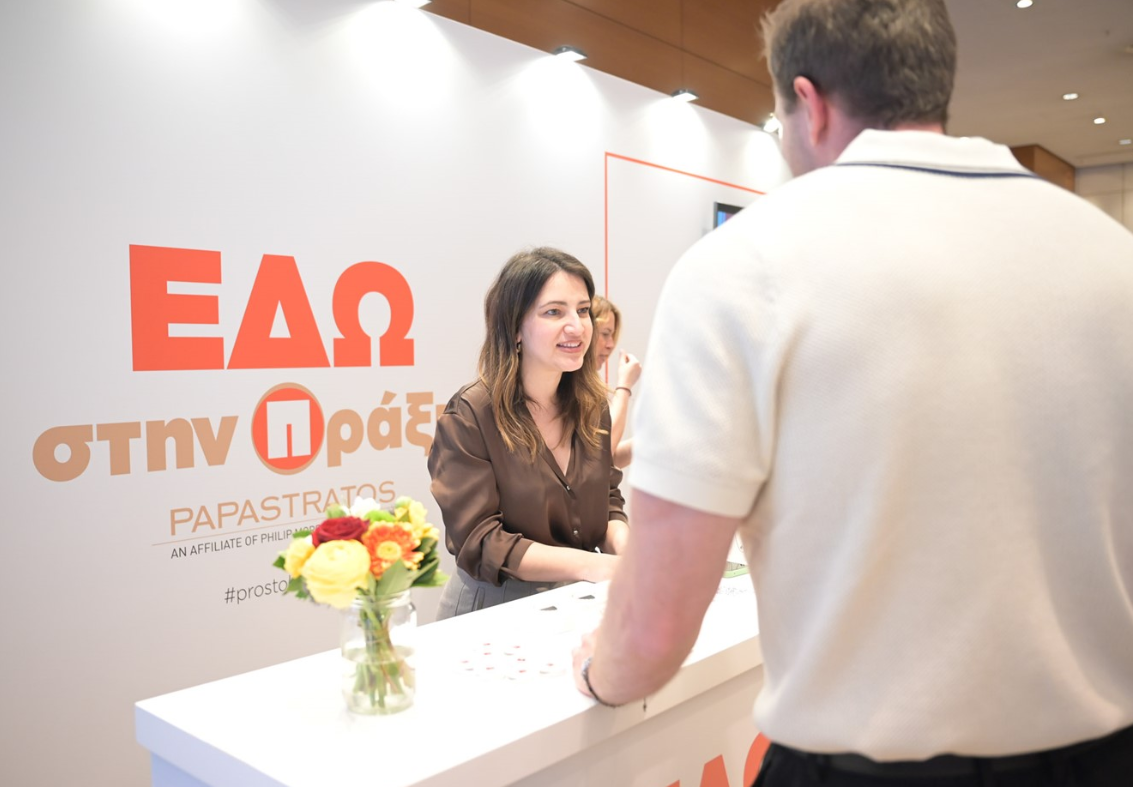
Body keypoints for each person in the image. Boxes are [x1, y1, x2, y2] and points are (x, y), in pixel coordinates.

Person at [573, 1, 1133, 784]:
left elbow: (653, 628)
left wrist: (598, 670)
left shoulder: (740, 265)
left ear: (808, 103)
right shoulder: (1112, 254)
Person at [428, 247, 629, 619]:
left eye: (582, 310)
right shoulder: (472, 414)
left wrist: (629, 553)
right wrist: (595, 565)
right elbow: (482, 541)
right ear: (514, 327)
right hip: (493, 610)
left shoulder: (592, 406)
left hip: (577, 601)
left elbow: (605, 501)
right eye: (554, 312)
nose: (577, 326)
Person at [591, 295, 641, 468]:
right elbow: (603, 453)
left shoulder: (592, 388)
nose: (611, 344)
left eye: (612, 335)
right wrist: (624, 386)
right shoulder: (567, 386)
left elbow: (609, 458)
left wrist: (649, 440)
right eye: (605, 334)